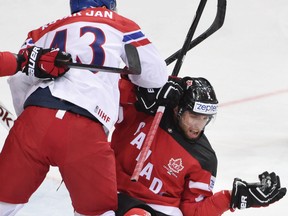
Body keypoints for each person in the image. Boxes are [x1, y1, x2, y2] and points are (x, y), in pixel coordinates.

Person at [0, 0, 168, 215]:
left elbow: (17, 79)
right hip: (83, 129)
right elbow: (155, 76)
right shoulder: (120, 23)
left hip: (33, 122)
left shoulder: (39, 32)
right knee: (99, 212)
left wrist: (28, 122)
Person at [111, 76, 287, 216]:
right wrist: (144, 89)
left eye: (205, 119)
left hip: (155, 210)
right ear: (177, 108)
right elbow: (109, 88)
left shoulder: (203, 158)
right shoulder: (148, 109)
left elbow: (193, 212)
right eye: (194, 116)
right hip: (108, 188)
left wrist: (231, 199)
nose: (198, 126)